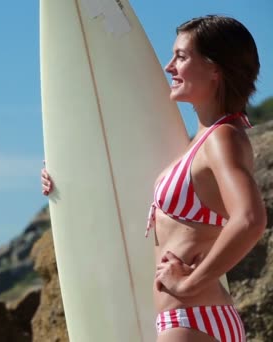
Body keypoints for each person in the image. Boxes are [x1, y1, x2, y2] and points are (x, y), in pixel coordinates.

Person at [41, 15, 266, 342]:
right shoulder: (202, 142)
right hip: (191, 319)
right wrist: (67, 178)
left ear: (215, 69)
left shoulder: (222, 139)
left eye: (182, 56)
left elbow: (249, 219)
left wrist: (189, 284)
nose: (168, 66)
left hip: (193, 318)